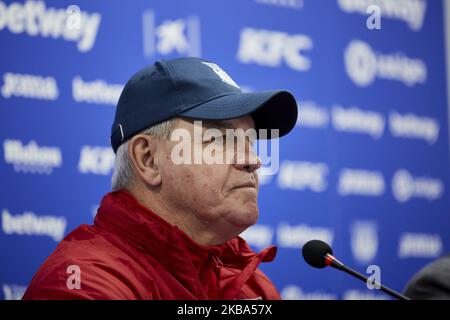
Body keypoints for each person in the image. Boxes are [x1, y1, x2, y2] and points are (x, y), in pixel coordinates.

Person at [23, 57, 298, 300]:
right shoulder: (82, 284)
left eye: (249, 140)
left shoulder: (253, 287)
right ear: (148, 159)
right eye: (220, 138)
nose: (253, 160)